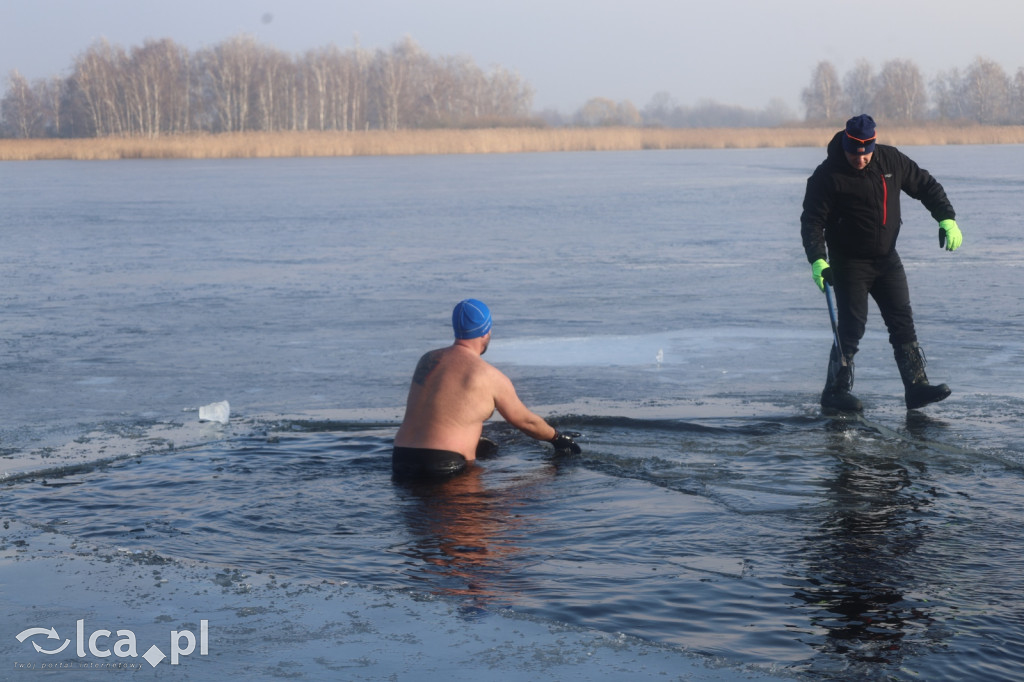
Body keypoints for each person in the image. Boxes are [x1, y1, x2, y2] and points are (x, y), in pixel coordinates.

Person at [800, 114, 963, 413]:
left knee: (902, 321)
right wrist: (818, 260)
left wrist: (946, 218)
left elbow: (926, 185)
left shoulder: (891, 161)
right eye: (854, 154)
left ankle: (915, 387)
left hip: (887, 258)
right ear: (846, 146)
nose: (860, 160)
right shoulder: (827, 176)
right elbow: (812, 220)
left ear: (873, 146)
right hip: (848, 263)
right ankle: (834, 391)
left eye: (865, 154)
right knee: (851, 327)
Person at [392, 298, 580, 477]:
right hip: (445, 464)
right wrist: (558, 438)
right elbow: (526, 422)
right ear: (486, 331)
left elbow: (445, 410)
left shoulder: (428, 360)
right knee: (527, 498)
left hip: (401, 458)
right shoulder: (489, 376)